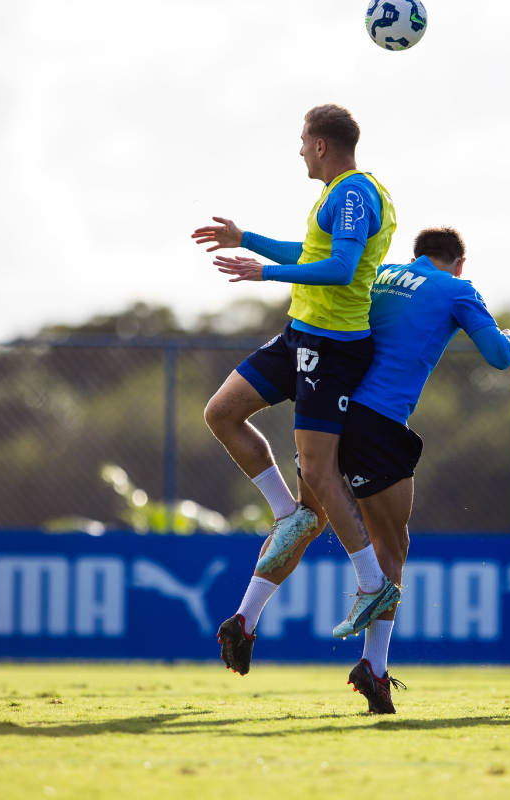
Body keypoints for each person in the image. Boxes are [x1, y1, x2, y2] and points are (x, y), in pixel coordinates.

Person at [218, 227, 510, 714]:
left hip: (328, 416)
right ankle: (374, 668)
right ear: (459, 264)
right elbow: (498, 357)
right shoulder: (457, 289)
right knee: (392, 545)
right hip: (378, 424)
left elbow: (310, 256)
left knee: (307, 519)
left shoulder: (379, 273)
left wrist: (250, 241)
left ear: (414, 256)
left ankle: (245, 617)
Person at [191, 104, 401, 670]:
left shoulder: (355, 194)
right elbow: (312, 255)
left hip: (333, 348)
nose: (300, 150)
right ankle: (289, 515)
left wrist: (265, 274)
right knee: (222, 412)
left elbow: (339, 267)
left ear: (322, 144)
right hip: (300, 336)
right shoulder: (336, 193)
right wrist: (248, 240)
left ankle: (370, 581)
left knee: (319, 472)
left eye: (303, 141)